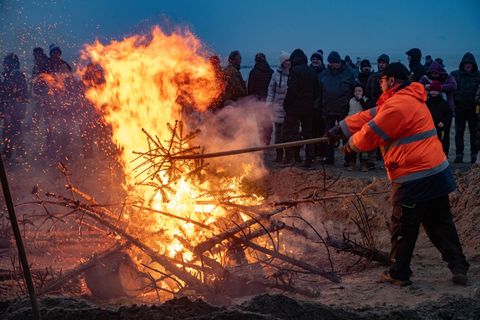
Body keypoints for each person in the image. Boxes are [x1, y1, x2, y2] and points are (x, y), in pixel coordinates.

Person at [327, 62, 469, 286]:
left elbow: (371, 134)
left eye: (382, 80)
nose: (380, 84)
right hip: (437, 173)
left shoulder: (397, 106)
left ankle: (399, 273)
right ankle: (459, 268)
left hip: (413, 178)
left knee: (403, 227)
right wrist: (342, 128)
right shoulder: (408, 98)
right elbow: (371, 115)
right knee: (441, 224)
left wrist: (349, 145)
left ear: (391, 81)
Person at [283, 49, 319, 167]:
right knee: (308, 133)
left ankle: (292, 157)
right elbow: (317, 89)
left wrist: (286, 104)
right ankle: (310, 159)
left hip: (295, 108)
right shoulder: (311, 71)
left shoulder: (294, 71)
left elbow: (292, 90)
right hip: (309, 108)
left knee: (290, 133)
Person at [319, 51, 354, 164]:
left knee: (345, 134)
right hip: (327, 108)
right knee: (328, 134)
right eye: (330, 62)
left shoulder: (348, 72)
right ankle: (329, 158)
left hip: (343, 109)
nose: (332, 64)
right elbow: (319, 91)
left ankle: (348, 158)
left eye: (334, 62)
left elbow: (354, 89)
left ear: (339, 62)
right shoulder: (324, 74)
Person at [419, 61, 457, 156]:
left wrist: (439, 87)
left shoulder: (448, 77)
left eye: (436, 73)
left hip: (445, 112)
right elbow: (418, 87)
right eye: (433, 73)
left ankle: (444, 155)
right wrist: (425, 87)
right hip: (431, 115)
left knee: (444, 136)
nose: (434, 75)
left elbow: (453, 86)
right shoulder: (425, 78)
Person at [451, 52, 480, 164]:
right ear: (462, 64)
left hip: (474, 109)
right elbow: (451, 90)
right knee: (459, 132)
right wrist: (453, 105)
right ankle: (459, 154)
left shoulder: (478, 75)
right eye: (466, 63)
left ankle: (474, 154)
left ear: (473, 64)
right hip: (460, 108)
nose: (468, 65)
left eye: (470, 63)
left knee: (474, 133)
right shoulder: (455, 74)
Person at [1, 54, 28, 161]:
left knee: (13, 131)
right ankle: (12, 153)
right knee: (11, 131)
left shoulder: (16, 75)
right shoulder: (9, 75)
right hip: (11, 109)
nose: (4, 65)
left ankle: (16, 154)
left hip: (14, 110)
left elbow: (19, 94)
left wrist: (10, 110)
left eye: (6, 63)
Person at [266, 51, 291, 162]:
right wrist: (269, 103)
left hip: (289, 107)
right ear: (282, 62)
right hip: (277, 106)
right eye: (286, 61)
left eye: (289, 60)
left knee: (288, 132)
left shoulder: (293, 73)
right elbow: (271, 90)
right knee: (278, 133)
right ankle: (279, 154)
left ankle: (288, 155)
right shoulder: (276, 74)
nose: (288, 62)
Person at [345, 83, 369, 171]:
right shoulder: (350, 101)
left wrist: (361, 100)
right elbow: (346, 111)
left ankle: (364, 164)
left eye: (359, 91)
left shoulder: (365, 100)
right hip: (352, 125)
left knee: (364, 147)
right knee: (352, 145)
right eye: (356, 91)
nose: (357, 93)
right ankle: (351, 163)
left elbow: (367, 109)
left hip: (363, 126)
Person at [424, 81, 451, 156]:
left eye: (435, 90)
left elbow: (448, 115)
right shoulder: (427, 102)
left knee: (443, 141)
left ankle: (444, 156)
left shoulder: (444, 103)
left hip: (441, 126)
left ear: (439, 91)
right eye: (432, 90)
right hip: (430, 126)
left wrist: (443, 123)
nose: (433, 92)